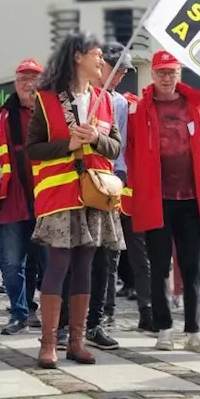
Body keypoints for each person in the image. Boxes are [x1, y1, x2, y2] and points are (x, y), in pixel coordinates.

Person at [26, 33, 125, 369]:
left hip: (96, 194)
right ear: (79, 56)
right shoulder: (46, 99)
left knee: (86, 267)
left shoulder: (105, 100)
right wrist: (67, 145)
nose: (102, 61)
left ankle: (77, 342)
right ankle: (49, 344)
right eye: (97, 55)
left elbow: (116, 148)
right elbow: (33, 150)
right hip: (60, 196)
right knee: (58, 266)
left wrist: (96, 138)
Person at [127, 51, 200, 353]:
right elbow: (132, 152)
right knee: (159, 266)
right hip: (158, 199)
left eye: (172, 72)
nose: (166, 77)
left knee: (192, 266)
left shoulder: (198, 108)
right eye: (161, 72)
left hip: (191, 199)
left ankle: (194, 330)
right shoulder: (140, 110)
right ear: (152, 74)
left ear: (180, 74)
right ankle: (164, 328)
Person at [0, 58, 48, 335]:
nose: (28, 85)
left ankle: (55, 318)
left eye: (34, 79)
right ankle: (19, 313)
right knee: (11, 262)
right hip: (10, 199)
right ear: (15, 84)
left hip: (47, 200)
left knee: (49, 262)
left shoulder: (53, 111)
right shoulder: (1, 116)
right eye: (22, 80)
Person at [83, 41, 136, 350]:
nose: (120, 77)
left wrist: (118, 180)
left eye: (124, 72)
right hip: (80, 181)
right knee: (79, 254)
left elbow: (120, 146)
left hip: (108, 181)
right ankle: (70, 320)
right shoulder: (83, 95)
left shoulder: (117, 103)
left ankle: (102, 315)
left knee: (109, 252)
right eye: (118, 71)